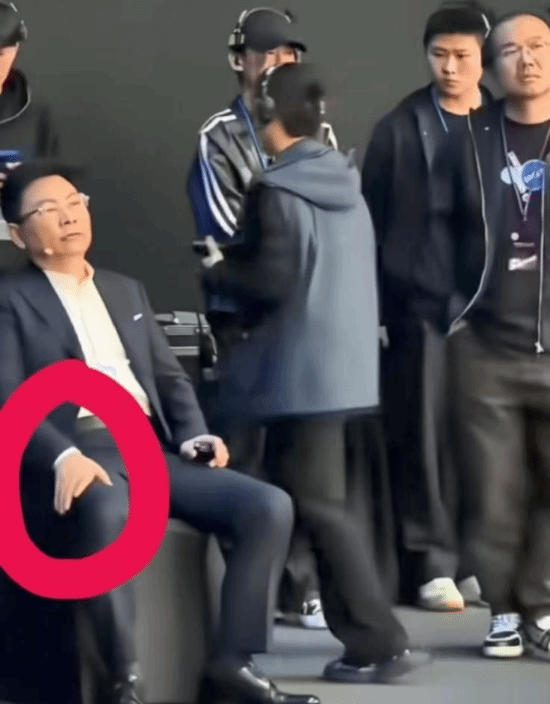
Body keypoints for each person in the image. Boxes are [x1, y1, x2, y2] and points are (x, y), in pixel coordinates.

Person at [0, 160, 319, 704]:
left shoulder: (126, 291)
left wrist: (193, 435)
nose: (69, 217)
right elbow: (8, 394)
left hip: (150, 447)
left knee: (268, 506)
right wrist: (62, 457)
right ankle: (123, 679)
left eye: (76, 203)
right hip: (84, 445)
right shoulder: (9, 297)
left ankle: (232, 663)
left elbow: (170, 380)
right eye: (49, 210)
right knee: (105, 511)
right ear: (16, 233)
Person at [201, 62, 430, 683]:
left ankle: (380, 641)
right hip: (342, 373)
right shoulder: (343, 182)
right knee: (317, 501)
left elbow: (270, 281)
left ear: (269, 117)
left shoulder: (275, 190)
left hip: (295, 377)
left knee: (319, 505)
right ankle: (365, 637)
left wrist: (218, 267)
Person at [187, 6, 337, 629]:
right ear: (238, 60)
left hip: (307, 323)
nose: (278, 63)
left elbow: (332, 218)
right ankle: (251, 592)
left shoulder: (317, 128)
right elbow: (226, 240)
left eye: (288, 54)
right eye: (266, 53)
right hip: (243, 321)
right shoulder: (217, 136)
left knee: (301, 460)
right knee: (245, 459)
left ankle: (300, 586)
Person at [415, 8, 550, 660]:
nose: (527, 59)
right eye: (511, 51)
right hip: (485, 351)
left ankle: (540, 603)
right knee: (494, 493)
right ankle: (504, 611)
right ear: (493, 67)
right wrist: (454, 314)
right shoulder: (467, 142)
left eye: (539, 46)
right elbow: (431, 236)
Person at [361, 0, 494, 611]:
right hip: (420, 309)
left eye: (462, 56)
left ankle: (476, 561)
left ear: (484, 58)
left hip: (495, 312)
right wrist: (378, 312)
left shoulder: (508, 124)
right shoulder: (399, 128)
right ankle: (431, 562)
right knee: (423, 435)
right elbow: (370, 225)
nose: (450, 67)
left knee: (485, 442)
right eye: (439, 55)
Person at [0, 2, 60, 250]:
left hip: (15, 257)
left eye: (0, 54)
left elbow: (55, 193)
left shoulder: (37, 116)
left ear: (15, 50)